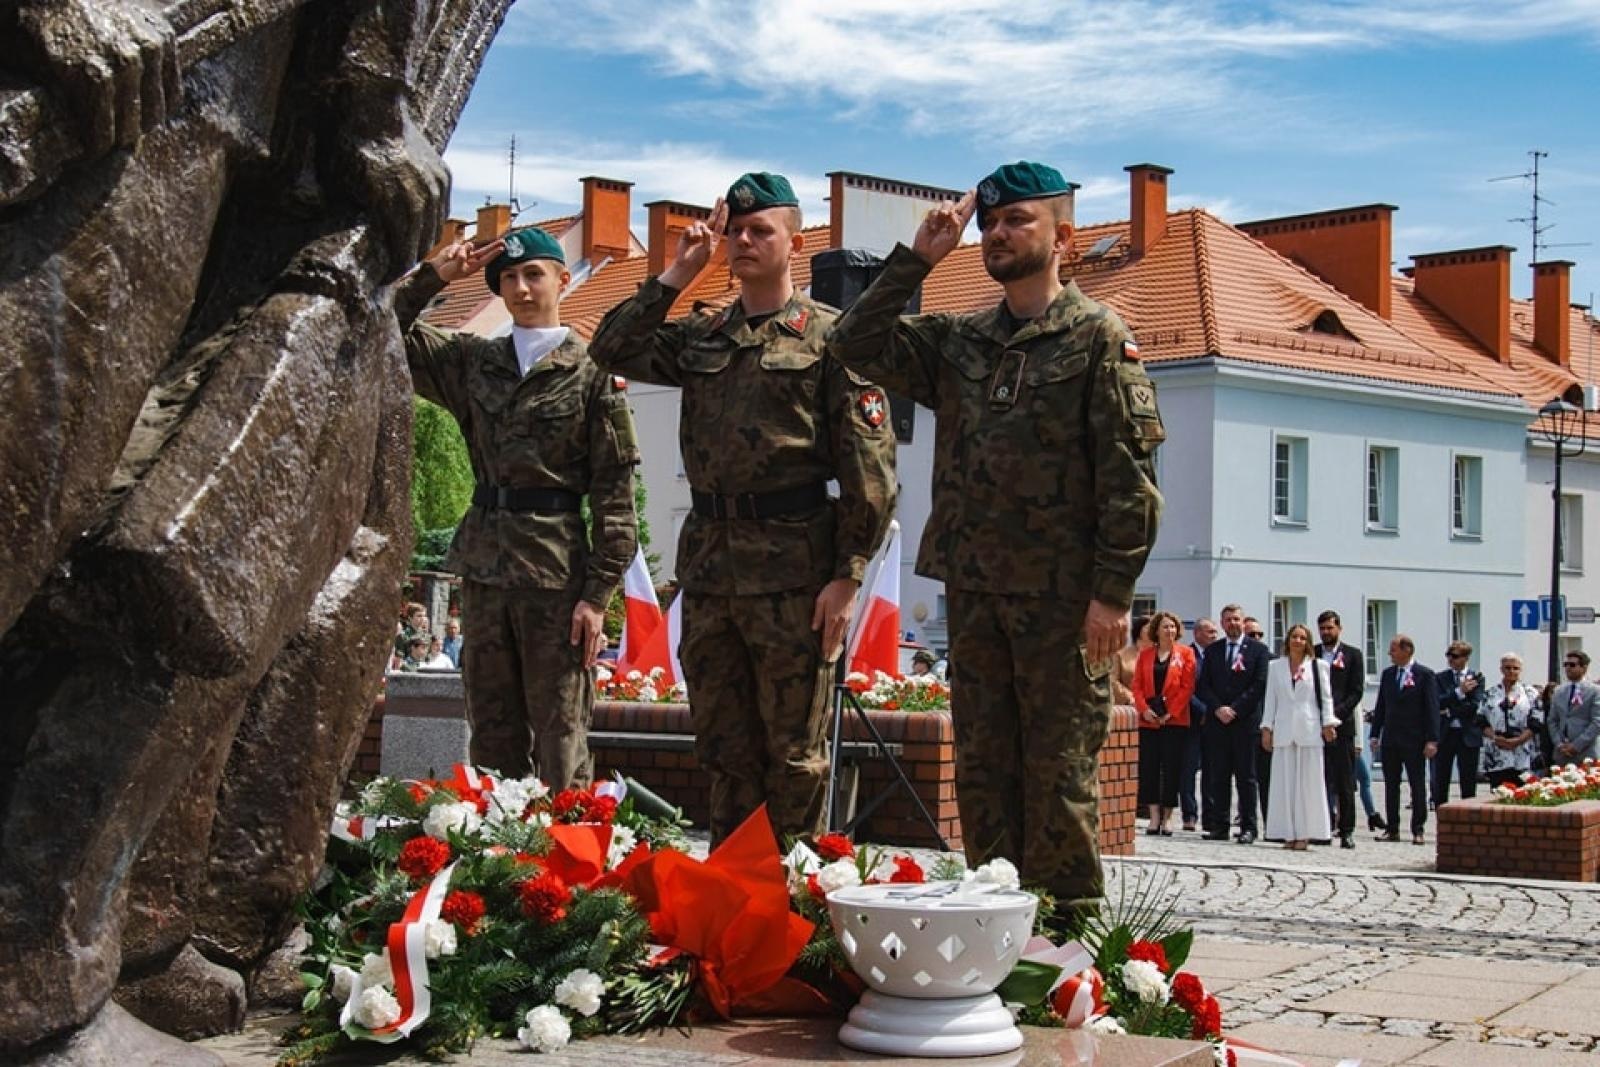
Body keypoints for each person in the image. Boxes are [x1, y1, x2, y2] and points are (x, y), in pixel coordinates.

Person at [825, 161, 1164, 919]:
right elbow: (855, 341)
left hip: (1063, 602)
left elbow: (1130, 479)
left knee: (1058, 777)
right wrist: (918, 258)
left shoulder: (1099, 339)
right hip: (976, 593)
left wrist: (1112, 593)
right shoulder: (962, 340)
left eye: (1019, 221)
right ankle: (994, 932)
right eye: (992, 223)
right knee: (982, 772)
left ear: (1064, 237)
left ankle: (1068, 949)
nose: (999, 234)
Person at [588, 172, 896, 846]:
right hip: (712, 570)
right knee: (723, 749)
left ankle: (792, 908)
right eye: (737, 230)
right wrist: (677, 272)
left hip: (795, 573)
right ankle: (732, 895)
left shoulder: (833, 339)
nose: (745, 241)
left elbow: (872, 473)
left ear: (797, 239)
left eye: (762, 230)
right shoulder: (704, 336)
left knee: (793, 755)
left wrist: (847, 575)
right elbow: (608, 348)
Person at [393, 226, 640, 789]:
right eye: (509, 277)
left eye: (534, 275)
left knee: (561, 730)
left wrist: (597, 596)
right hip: (484, 569)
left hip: (557, 575)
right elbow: (388, 327)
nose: (523, 288)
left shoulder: (593, 372)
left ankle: (569, 853)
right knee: (491, 728)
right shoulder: (473, 362)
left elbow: (615, 498)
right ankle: (501, 860)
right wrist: (436, 274)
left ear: (561, 279)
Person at [1260, 624, 1338, 850]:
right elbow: (1270, 700)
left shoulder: (1318, 667)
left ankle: (1305, 833)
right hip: (1284, 729)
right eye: (1294, 636)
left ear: (1308, 642)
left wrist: (1328, 723)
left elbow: (1326, 698)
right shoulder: (1275, 667)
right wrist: (1267, 728)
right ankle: (1287, 833)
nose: (1298, 641)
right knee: (1284, 783)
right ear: (1287, 640)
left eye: (1302, 638)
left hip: (1309, 729)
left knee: (1308, 784)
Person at [1197, 604, 1270, 844]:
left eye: (1236, 619)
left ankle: (1249, 826)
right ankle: (1220, 825)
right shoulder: (1213, 651)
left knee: (1246, 777)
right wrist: (1218, 708)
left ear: (1243, 621)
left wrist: (1235, 709)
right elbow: (1203, 685)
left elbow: (1259, 685)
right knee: (1219, 776)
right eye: (1227, 620)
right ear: (1222, 623)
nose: (1232, 623)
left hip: (1245, 723)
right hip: (1218, 723)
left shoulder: (1258, 651)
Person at [1370, 634, 1439, 844]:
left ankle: (1418, 829)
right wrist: (1375, 733)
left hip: (1415, 739)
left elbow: (1432, 709)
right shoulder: (1389, 674)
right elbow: (1381, 705)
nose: (1390, 653)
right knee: (1391, 784)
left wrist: (1432, 739)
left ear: (1406, 650)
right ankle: (1392, 829)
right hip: (1391, 738)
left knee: (1416, 784)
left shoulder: (1424, 675)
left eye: (1393, 649)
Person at [1132, 612, 1197, 836]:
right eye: (1165, 627)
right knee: (1149, 768)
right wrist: (1144, 709)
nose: (1169, 631)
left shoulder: (1186, 654)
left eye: (1172, 627)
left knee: (1172, 768)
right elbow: (1137, 685)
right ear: (1156, 631)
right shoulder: (1145, 655)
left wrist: (1170, 713)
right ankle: (1153, 816)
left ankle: (1168, 816)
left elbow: (1187, 687)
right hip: (1149, 720)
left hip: (1174, 721)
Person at [1316, 610, 1366, 849]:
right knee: (1318, 779)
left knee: (1345, 782)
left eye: (1330, 628)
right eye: (1323, 628)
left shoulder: (1353, 655)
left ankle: (1347, 830)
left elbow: (1356, 691)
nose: (1326, 632)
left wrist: (1333, 717)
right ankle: (1322, 826)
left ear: (1339, 628)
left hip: (1341, 727)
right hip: (1314, 727)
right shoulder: (1312, 653)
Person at [1478, 653, 1543, 788]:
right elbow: (1480, 720)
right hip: (1497, 752)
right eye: (1508, 668)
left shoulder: (1530, 693)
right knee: (1499, 794)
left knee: (1524, 795)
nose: (1511, 671)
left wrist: (1517, 741)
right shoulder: (1490, 693)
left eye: (1515, 668)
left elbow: (1537, 721)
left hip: (1523, 752)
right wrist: (1496, 738)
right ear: (1501, 669)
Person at [1433, 640, 1486, 805]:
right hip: (1445, 734)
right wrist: (1459, 692)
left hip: (1467, 734)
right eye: (1448, 656)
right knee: (1440, 779)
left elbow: (1474, 705)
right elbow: (1437, 702)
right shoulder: (1440, 678)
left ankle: (1467, 817)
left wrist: (1449, 711)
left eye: (1455, 656)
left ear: (1465, 657)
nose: (1451, 660)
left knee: (1468, 781)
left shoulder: (1476, 677)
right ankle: (1441, 813)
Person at [1180, 616, 1219, 831]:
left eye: (1215, 631)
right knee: (1188, 771)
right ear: (1197, 634)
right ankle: (1189, 814)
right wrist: (1202, 710)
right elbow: (1184, 688)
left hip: (1213, 722)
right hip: (1191, 721)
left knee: (1211, 771)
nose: (1215, 635)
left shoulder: (1217, 655)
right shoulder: (1187, 655)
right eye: (1210, 632)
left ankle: (1210, 816)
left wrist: (1212, 711)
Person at [1548, 650, 1600, 764]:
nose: (1568, 668)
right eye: (1565, 665)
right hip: (1562, 753)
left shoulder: (1595, 691)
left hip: (1586, 753)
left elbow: (1597, 722)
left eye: (1572, 665)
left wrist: (1576, 745)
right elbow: (1552, 720)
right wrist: (1559, 744)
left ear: (1584, 668)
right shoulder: (1559, 691)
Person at [1114, 615, 1153, 707]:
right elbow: (1113, 681)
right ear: (1139, 630)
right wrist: (1131, 698)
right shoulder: (1121, 655)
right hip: (1129, 707)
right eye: (1149, 627)